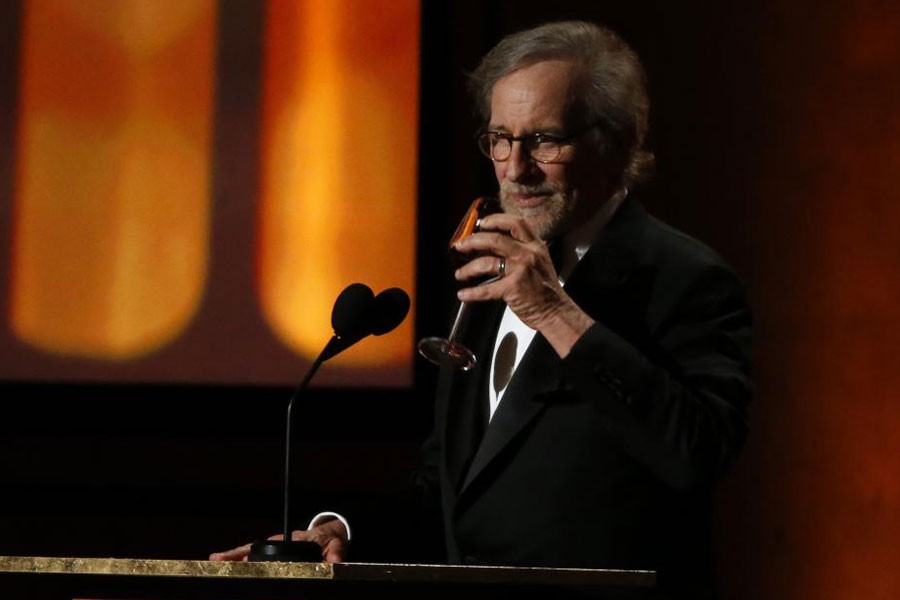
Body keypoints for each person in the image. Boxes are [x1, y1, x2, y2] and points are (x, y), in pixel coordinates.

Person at [212, 20, 751, 600]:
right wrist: (340, 533)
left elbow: (696, 453)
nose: (514, 169)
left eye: (544, 141)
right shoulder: (491, 270)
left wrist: (552, 311)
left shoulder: (687, 278)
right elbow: (453, 487)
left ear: (618, 140)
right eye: (500, 138)